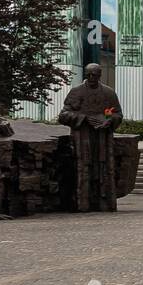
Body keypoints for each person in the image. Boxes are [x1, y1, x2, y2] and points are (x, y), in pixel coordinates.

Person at [58, 63, 123, 212]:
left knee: (103, 168)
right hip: (82, 137)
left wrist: (109, 120)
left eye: (94, 75)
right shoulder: (77, 92)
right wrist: (83, 118)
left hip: (102, 138)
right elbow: (63, 115)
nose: (91, 77)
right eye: (88, 74)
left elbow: (117, 114)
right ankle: (83, 203)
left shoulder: (108, 93)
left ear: (100, 75)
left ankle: (104, 202)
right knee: (83, 168)